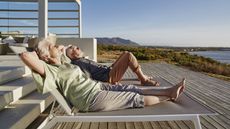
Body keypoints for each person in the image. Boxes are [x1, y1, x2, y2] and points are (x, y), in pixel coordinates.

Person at [20, 38, 185, 112]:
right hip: (89, 98)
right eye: (53, 46)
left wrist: (54, 49)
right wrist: (39, 52)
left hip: (96, 87)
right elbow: (25, 56)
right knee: (132, 97)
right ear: (46, 56)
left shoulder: (64, 63)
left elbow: (62, 48)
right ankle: (168, 96)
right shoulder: (50, 69)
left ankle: (168, 89)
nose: (57, 46)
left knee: (133, 88)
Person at [65, 45, 160, 86]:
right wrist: (108, 84)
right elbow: (88, 79)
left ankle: (140, 76)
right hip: (109, 77)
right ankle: (143, 80)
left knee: (125, 53)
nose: (79, 48)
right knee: (128, 56)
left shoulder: (82, 59)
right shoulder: (79, 63)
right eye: (76, 48)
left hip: (108, 70)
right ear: (74, 55)